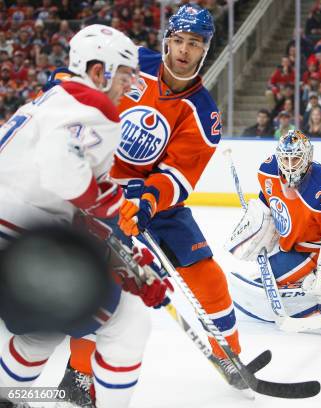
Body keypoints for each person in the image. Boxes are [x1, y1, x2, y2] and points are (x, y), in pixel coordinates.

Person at [63, 3, 246, 401]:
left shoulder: (202, 114)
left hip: (153, 200)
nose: (183, 50)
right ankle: (78, 373)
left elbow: (177, 176)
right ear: (166, 41)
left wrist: (146, 203)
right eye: (177, 40)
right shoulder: (133, 64)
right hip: (99, 188)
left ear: (205, 50)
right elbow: (80, 85)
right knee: (102, 282)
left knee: (207, 274)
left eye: (193, 43)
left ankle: (230, 354)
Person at [0, 25, 167, 408]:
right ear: (98, 71)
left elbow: (68, 195)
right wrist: (116, 231)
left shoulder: (53, 99)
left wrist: (126, 256)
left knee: (42, 330)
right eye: (125, 74)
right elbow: (64, 172)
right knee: (128, 324)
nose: (129, 85)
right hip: (17, 238)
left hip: (17, 238)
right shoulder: (95, 108)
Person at [225, 130, 321, 321]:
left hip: (310, 251)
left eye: (296, 159)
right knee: (261, 279)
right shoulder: (267, 170)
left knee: (264, 282)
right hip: (284, 244)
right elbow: (267, 198)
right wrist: (257, 220)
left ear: (307, 158)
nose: (289, 166)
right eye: (285, 159)